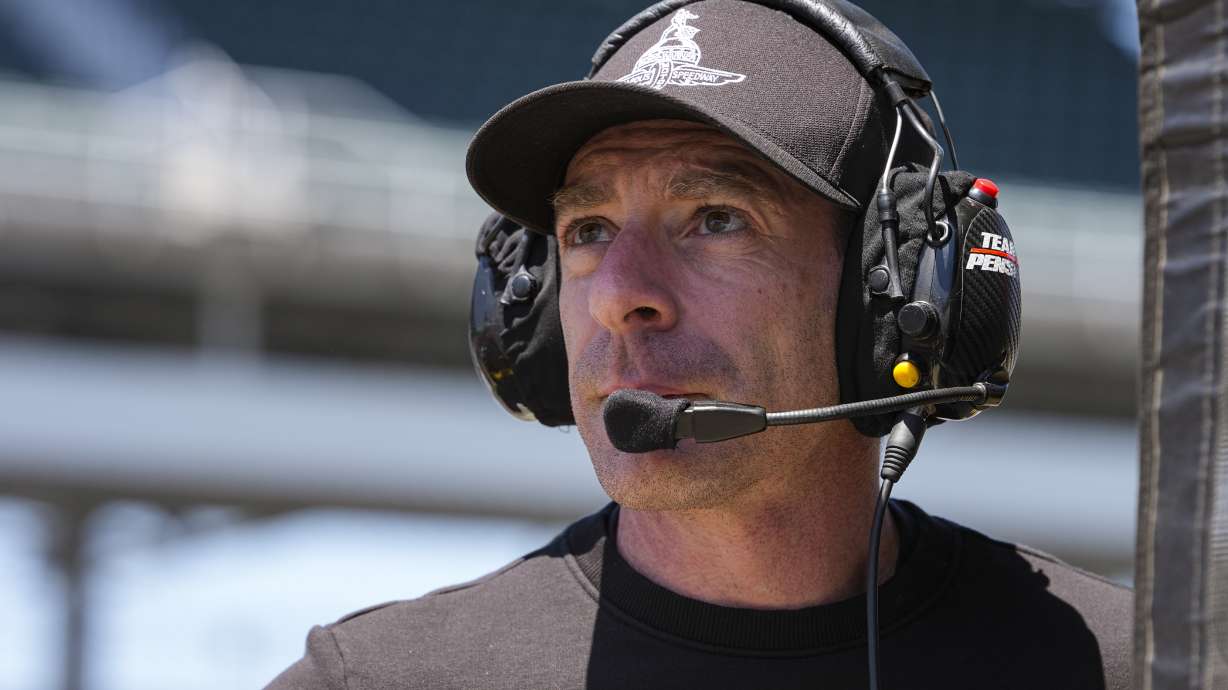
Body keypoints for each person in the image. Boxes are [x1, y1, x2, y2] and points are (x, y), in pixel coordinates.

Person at [267, 1, 1132, 688]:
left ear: (894, 289)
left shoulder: (1131, 670)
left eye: (716, 219)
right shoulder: (376, 682)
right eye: (589, 229)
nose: (621, 296)